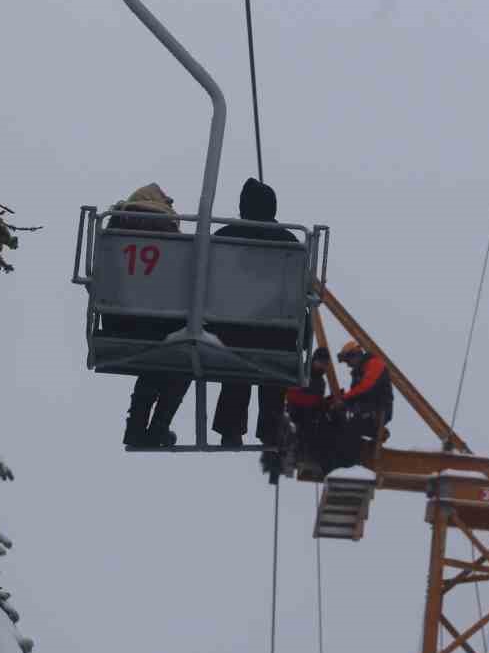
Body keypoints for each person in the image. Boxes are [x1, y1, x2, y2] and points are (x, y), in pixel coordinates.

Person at [210, 177, 299, 447]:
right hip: (277, 333)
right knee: (272, 376)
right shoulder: (291, 242)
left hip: (230, 330)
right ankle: (272, 432)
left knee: (236, 373)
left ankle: (230, 430)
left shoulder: (222, 237)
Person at [109, 183, 190, 448]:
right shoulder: (168, 233)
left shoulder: (113, 229)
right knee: (181, 360)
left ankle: (137, 428)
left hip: (116, 319)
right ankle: (157, 426)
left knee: (153, 361)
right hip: (158, 321)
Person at [313, 339, 393, 473]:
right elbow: (355, 396)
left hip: (377, 411)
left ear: (355, 355)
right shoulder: (358, 373)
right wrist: (335, 404)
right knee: (336, 421)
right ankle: (330, 463)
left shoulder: (375, 364)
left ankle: (348, 464)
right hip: (364, 410)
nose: (348, 365)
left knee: (351, 426)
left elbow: (366, 387)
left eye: (348, 361)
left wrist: (344, 400)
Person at [280, 347, 333, 473]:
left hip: (310, 412)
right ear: (314, 360)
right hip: (297, 410)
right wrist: (314, 403)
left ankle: (316, 456)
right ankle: (300, 454)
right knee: (306, 425)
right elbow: (291, 394)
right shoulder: (301, 371)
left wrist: (326, 403)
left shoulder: (320, 382)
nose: (323, 366)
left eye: (325, 364)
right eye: (321, 363)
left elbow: (317, 400)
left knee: (323, 423)